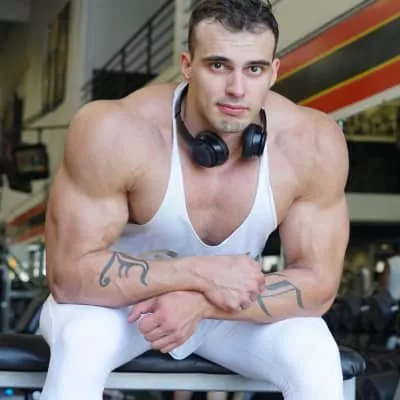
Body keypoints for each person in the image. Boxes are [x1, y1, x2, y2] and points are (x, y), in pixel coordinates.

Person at [39, 0, 350, 399]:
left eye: (254, 69)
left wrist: (201, 303)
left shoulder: (312, 143)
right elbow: (68, 275)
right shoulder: (116, 130)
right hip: (117, 305)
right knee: (80, 343)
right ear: (187, 65)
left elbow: (319, 284)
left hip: (232, 306)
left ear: (274, 72)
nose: (237, 89)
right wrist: (200, 275)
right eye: (218, 66)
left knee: (315, 354)